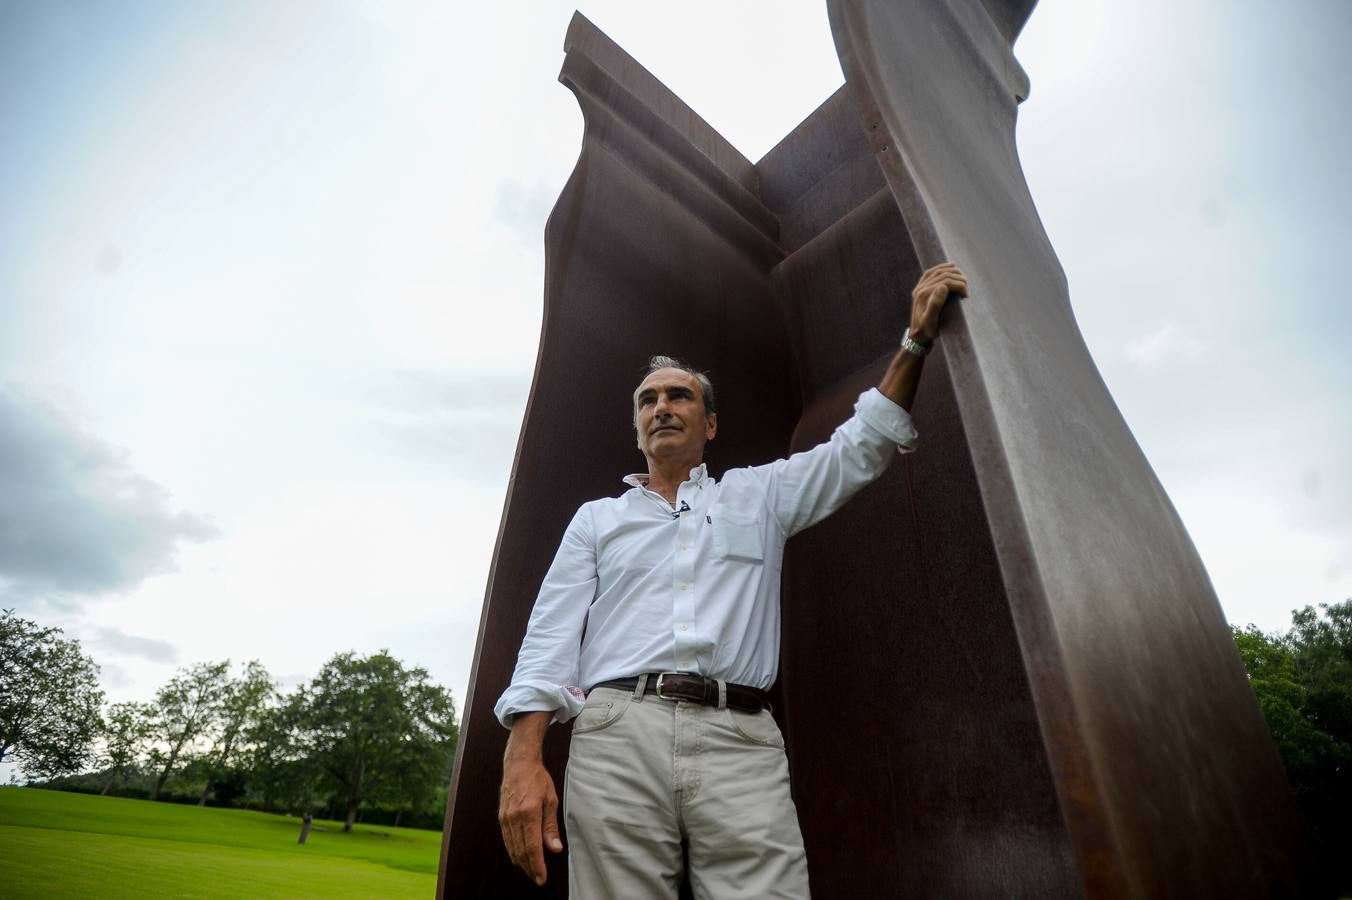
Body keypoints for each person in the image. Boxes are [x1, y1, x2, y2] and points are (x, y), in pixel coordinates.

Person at [496, 262, 969, 897]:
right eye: (648, 400)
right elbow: (549, 638)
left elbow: (861, 447)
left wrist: (914, 339)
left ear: (710, 425)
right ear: (637, 429)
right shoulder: (596, 520)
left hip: (739, 735)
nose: (661, 407)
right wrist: (522, 762)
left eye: (679, 395)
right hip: (617, 733)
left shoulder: (760, 494)